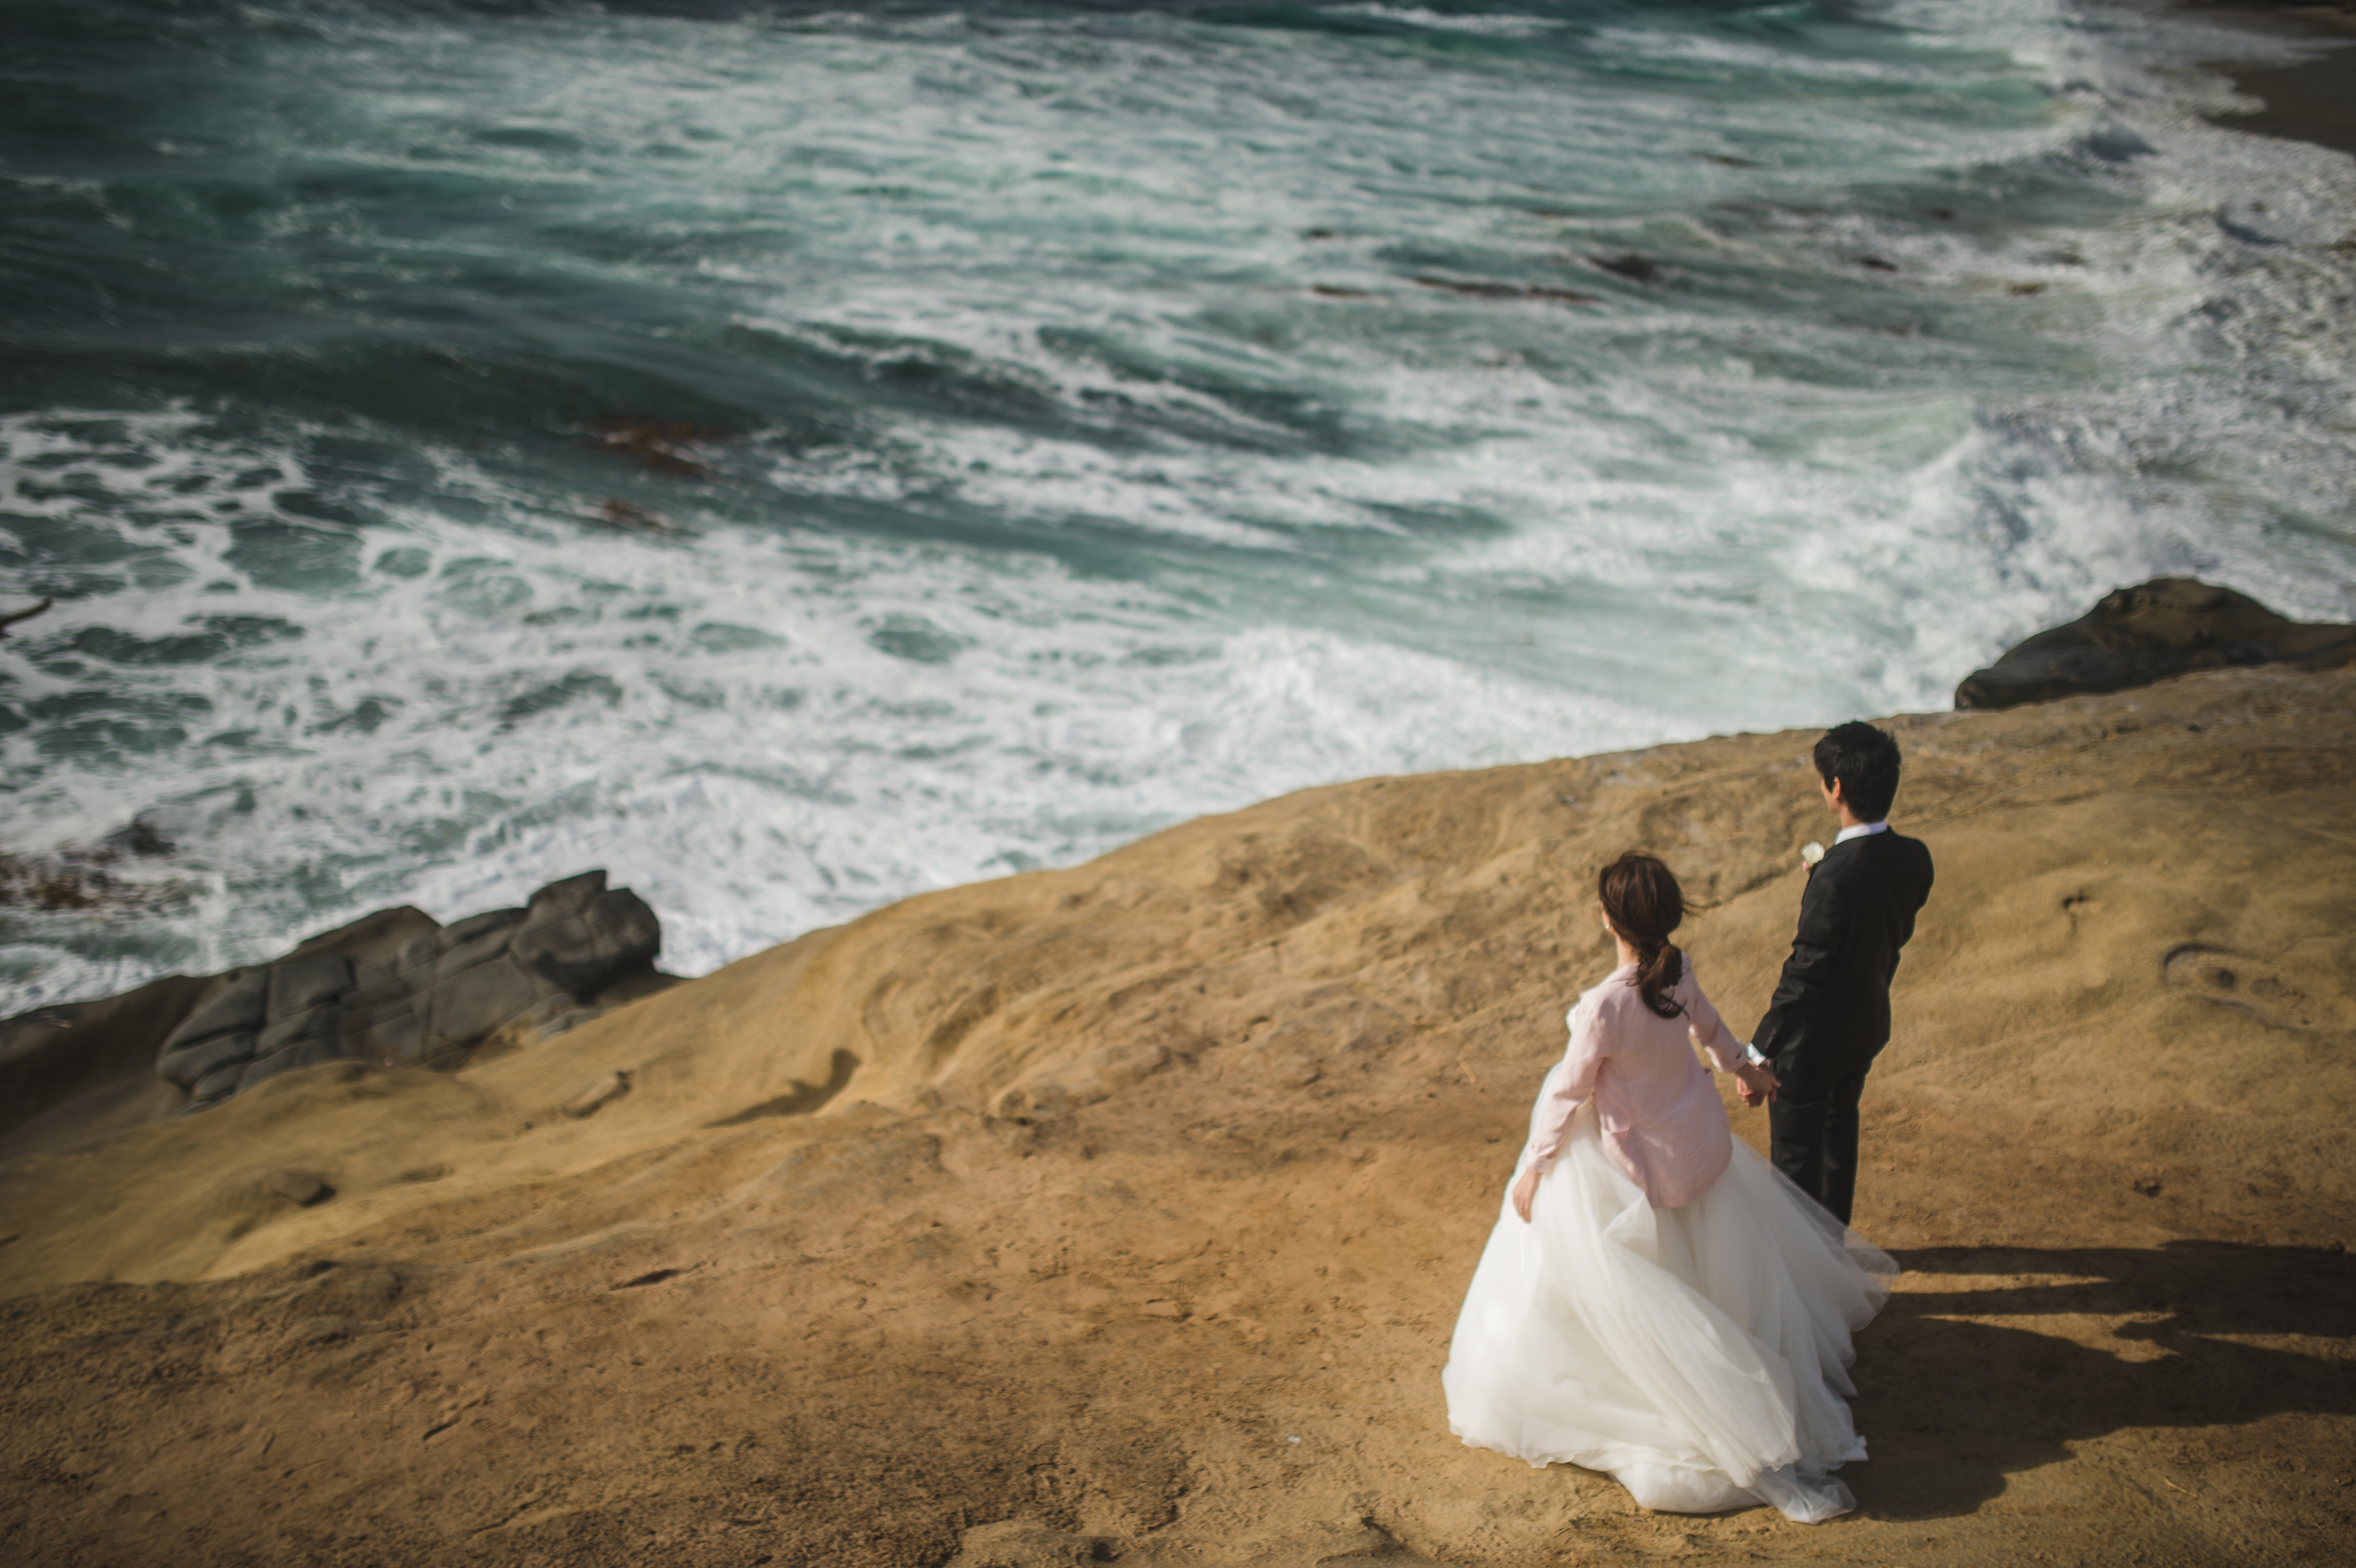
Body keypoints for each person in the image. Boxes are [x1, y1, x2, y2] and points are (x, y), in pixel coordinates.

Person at [1443, 852, 1896, 1523]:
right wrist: (1745, 1070)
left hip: (1637, 1161)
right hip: (1693, 1144)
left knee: (1579, 1236)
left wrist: (1535, 1167)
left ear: (1608, 919)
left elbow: (1567, 1095)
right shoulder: (1676, 970)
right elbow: (1711, 1031)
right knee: (1711, 1256)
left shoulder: (1603, 1005)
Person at [1746, 722, 1935, 1226]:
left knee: (1795, 1163)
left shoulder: (1834, 876)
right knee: (1839, 1136)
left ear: (1836, 788)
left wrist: (1759, 1049)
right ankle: (1834, 1251)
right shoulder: (1915, 857)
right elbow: (1885, 925)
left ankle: (1803, 1277)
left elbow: (1805, 973)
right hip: (1865, 1027)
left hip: (1809, 1048)